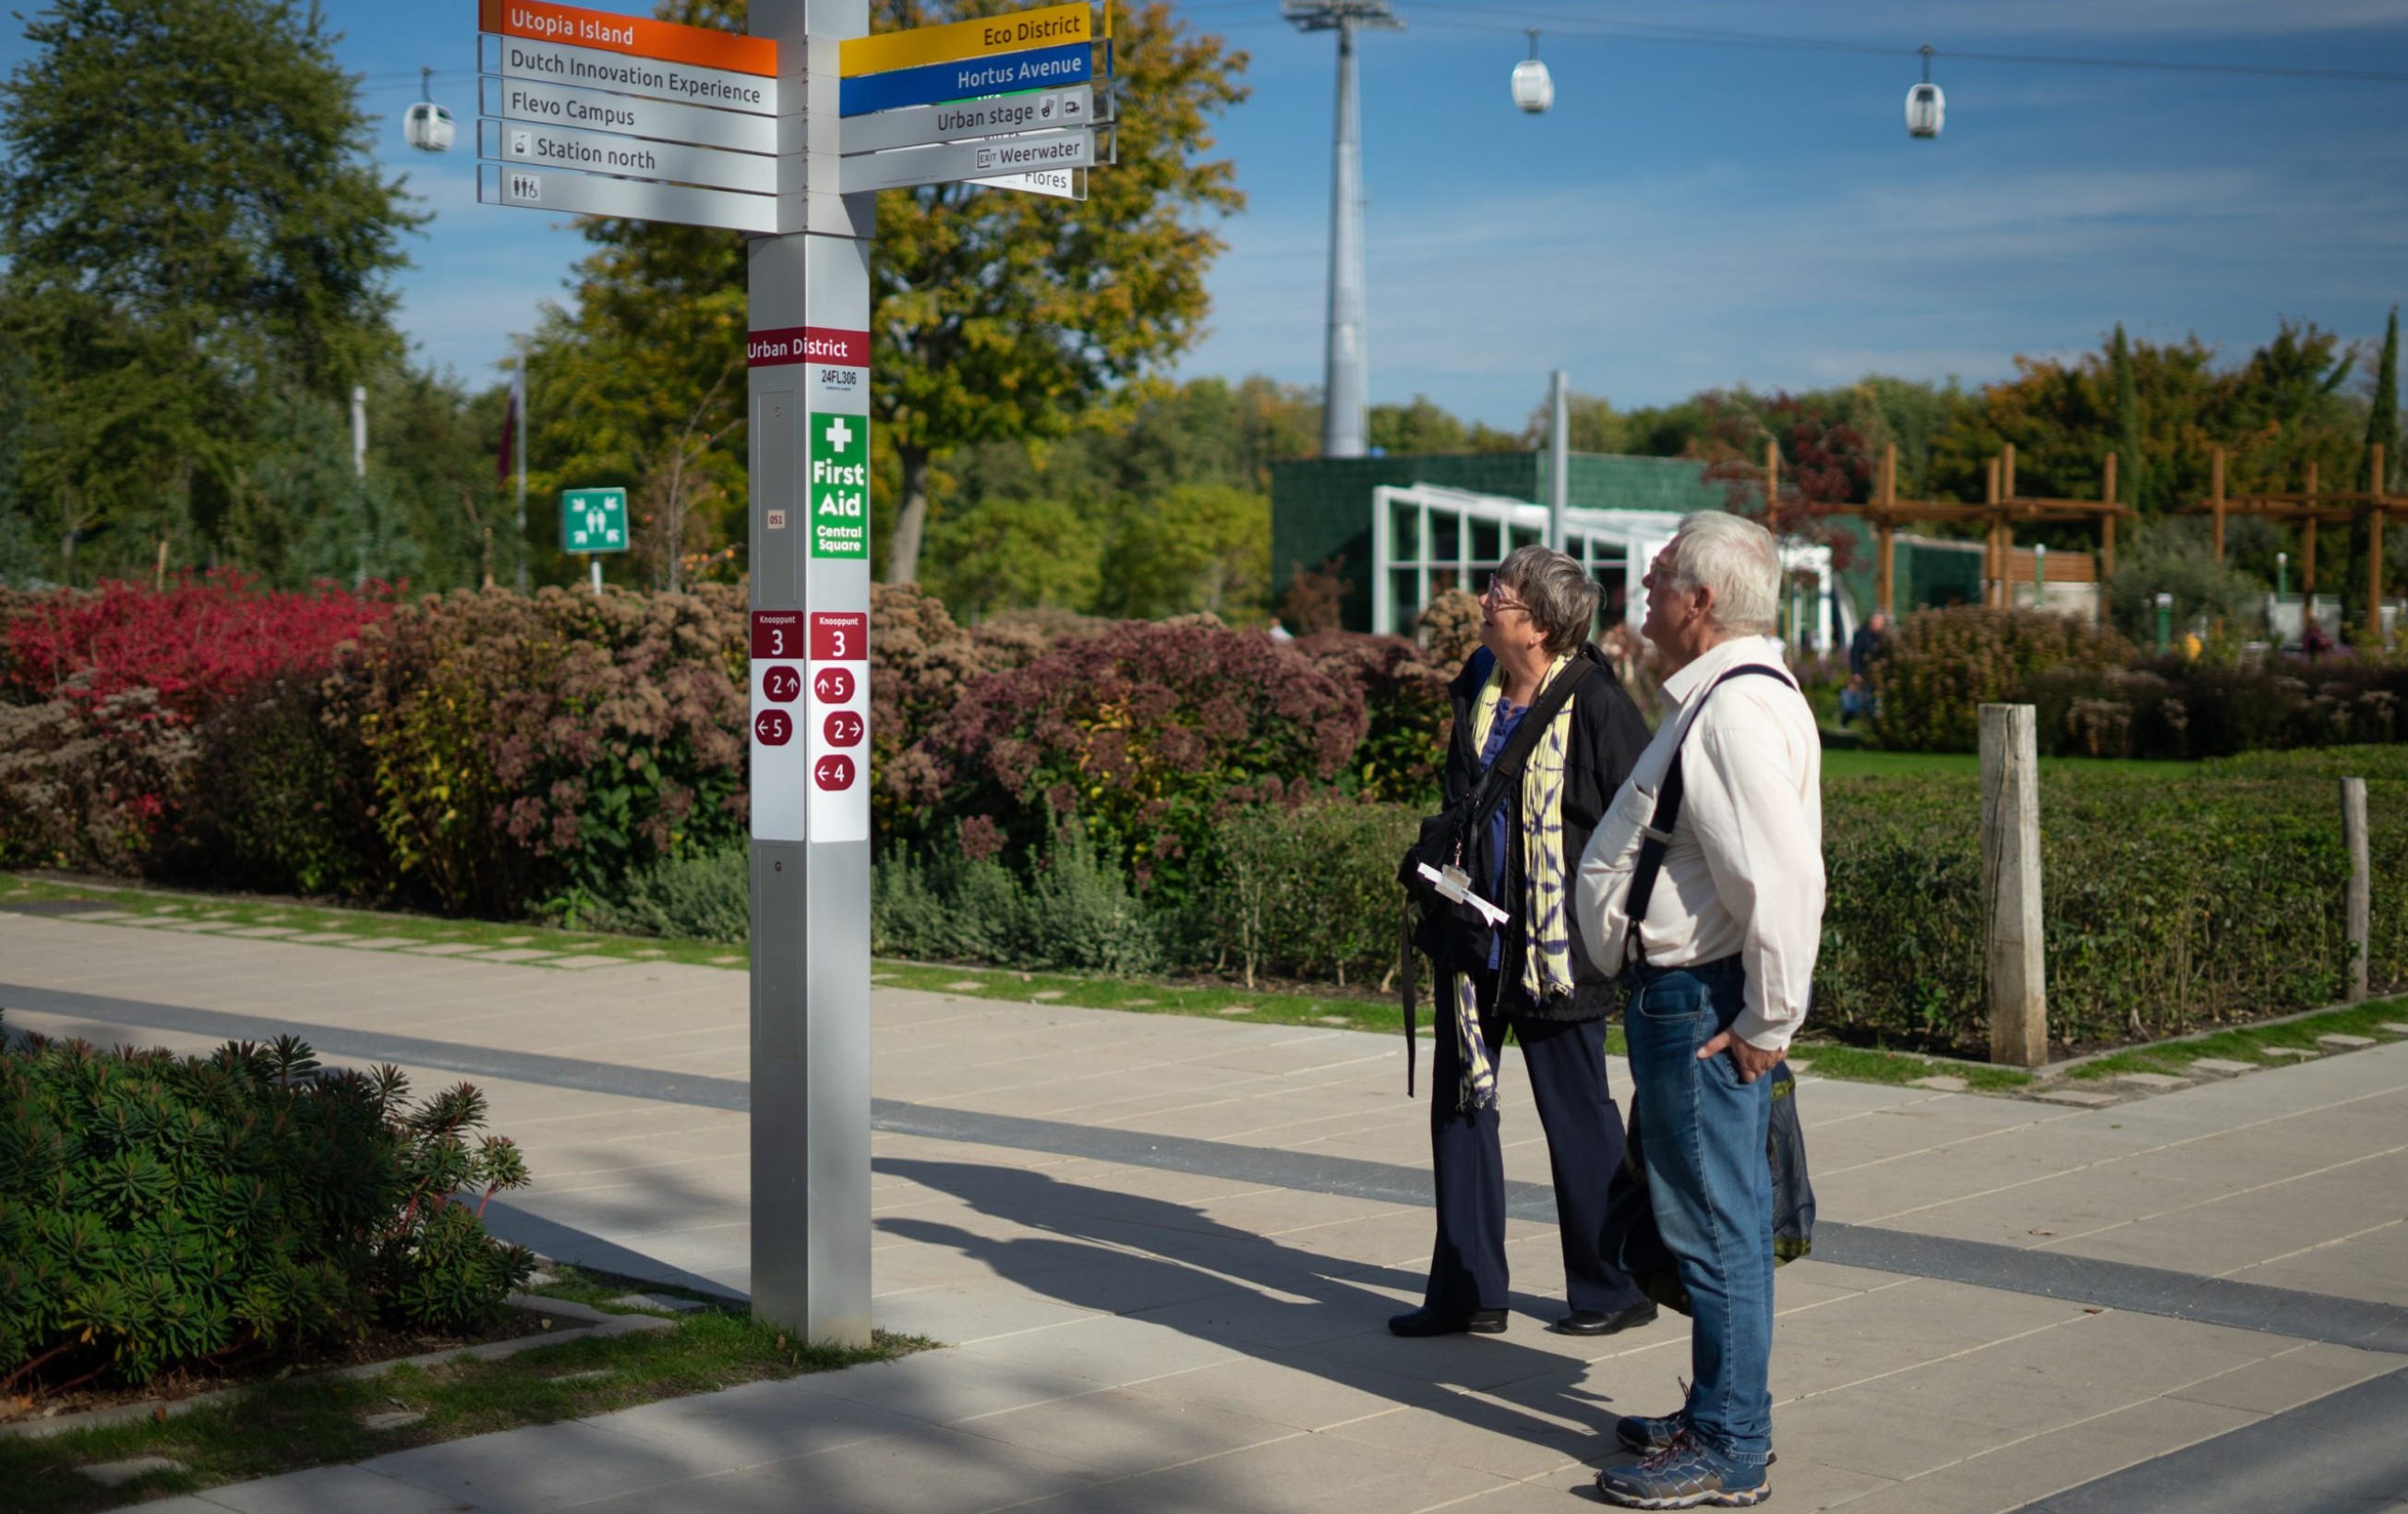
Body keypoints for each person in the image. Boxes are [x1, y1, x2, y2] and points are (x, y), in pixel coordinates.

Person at [1580, 512, 1824, 1509]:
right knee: (1704, 1225)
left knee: (1718, 1232)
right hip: (1685, 1000)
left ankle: (1729, 1444)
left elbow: (1782, 878)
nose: (1644, 581)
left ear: (1701, 601)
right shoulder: (1723, 698)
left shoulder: (1731, 712)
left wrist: (1768, 1019)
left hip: (1699, 1004)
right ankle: (1718, 1412)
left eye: (1661, 572)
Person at [1390, 545, 1660, 1341]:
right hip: (1470, 933)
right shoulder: (1477, 679)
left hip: (1554, 946)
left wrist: (1623, 922)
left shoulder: (1599, 704)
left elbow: (1642, 815)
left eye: (1500, 593)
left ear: (1539, 625)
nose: (1483, 600)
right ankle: (1468, 1290)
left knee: (1577, 1113)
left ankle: (1612, 1287)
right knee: (1462, 1104)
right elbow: (1462, 790)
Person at [1846, 609, 1888, 681]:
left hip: (1878, 674)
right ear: (1873, 621)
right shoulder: (1861, 634)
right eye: (1880, 621)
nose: (1882, 624)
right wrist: (1856, 672)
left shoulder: (1882, 636)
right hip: (1864, 673)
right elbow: (1855, 653)